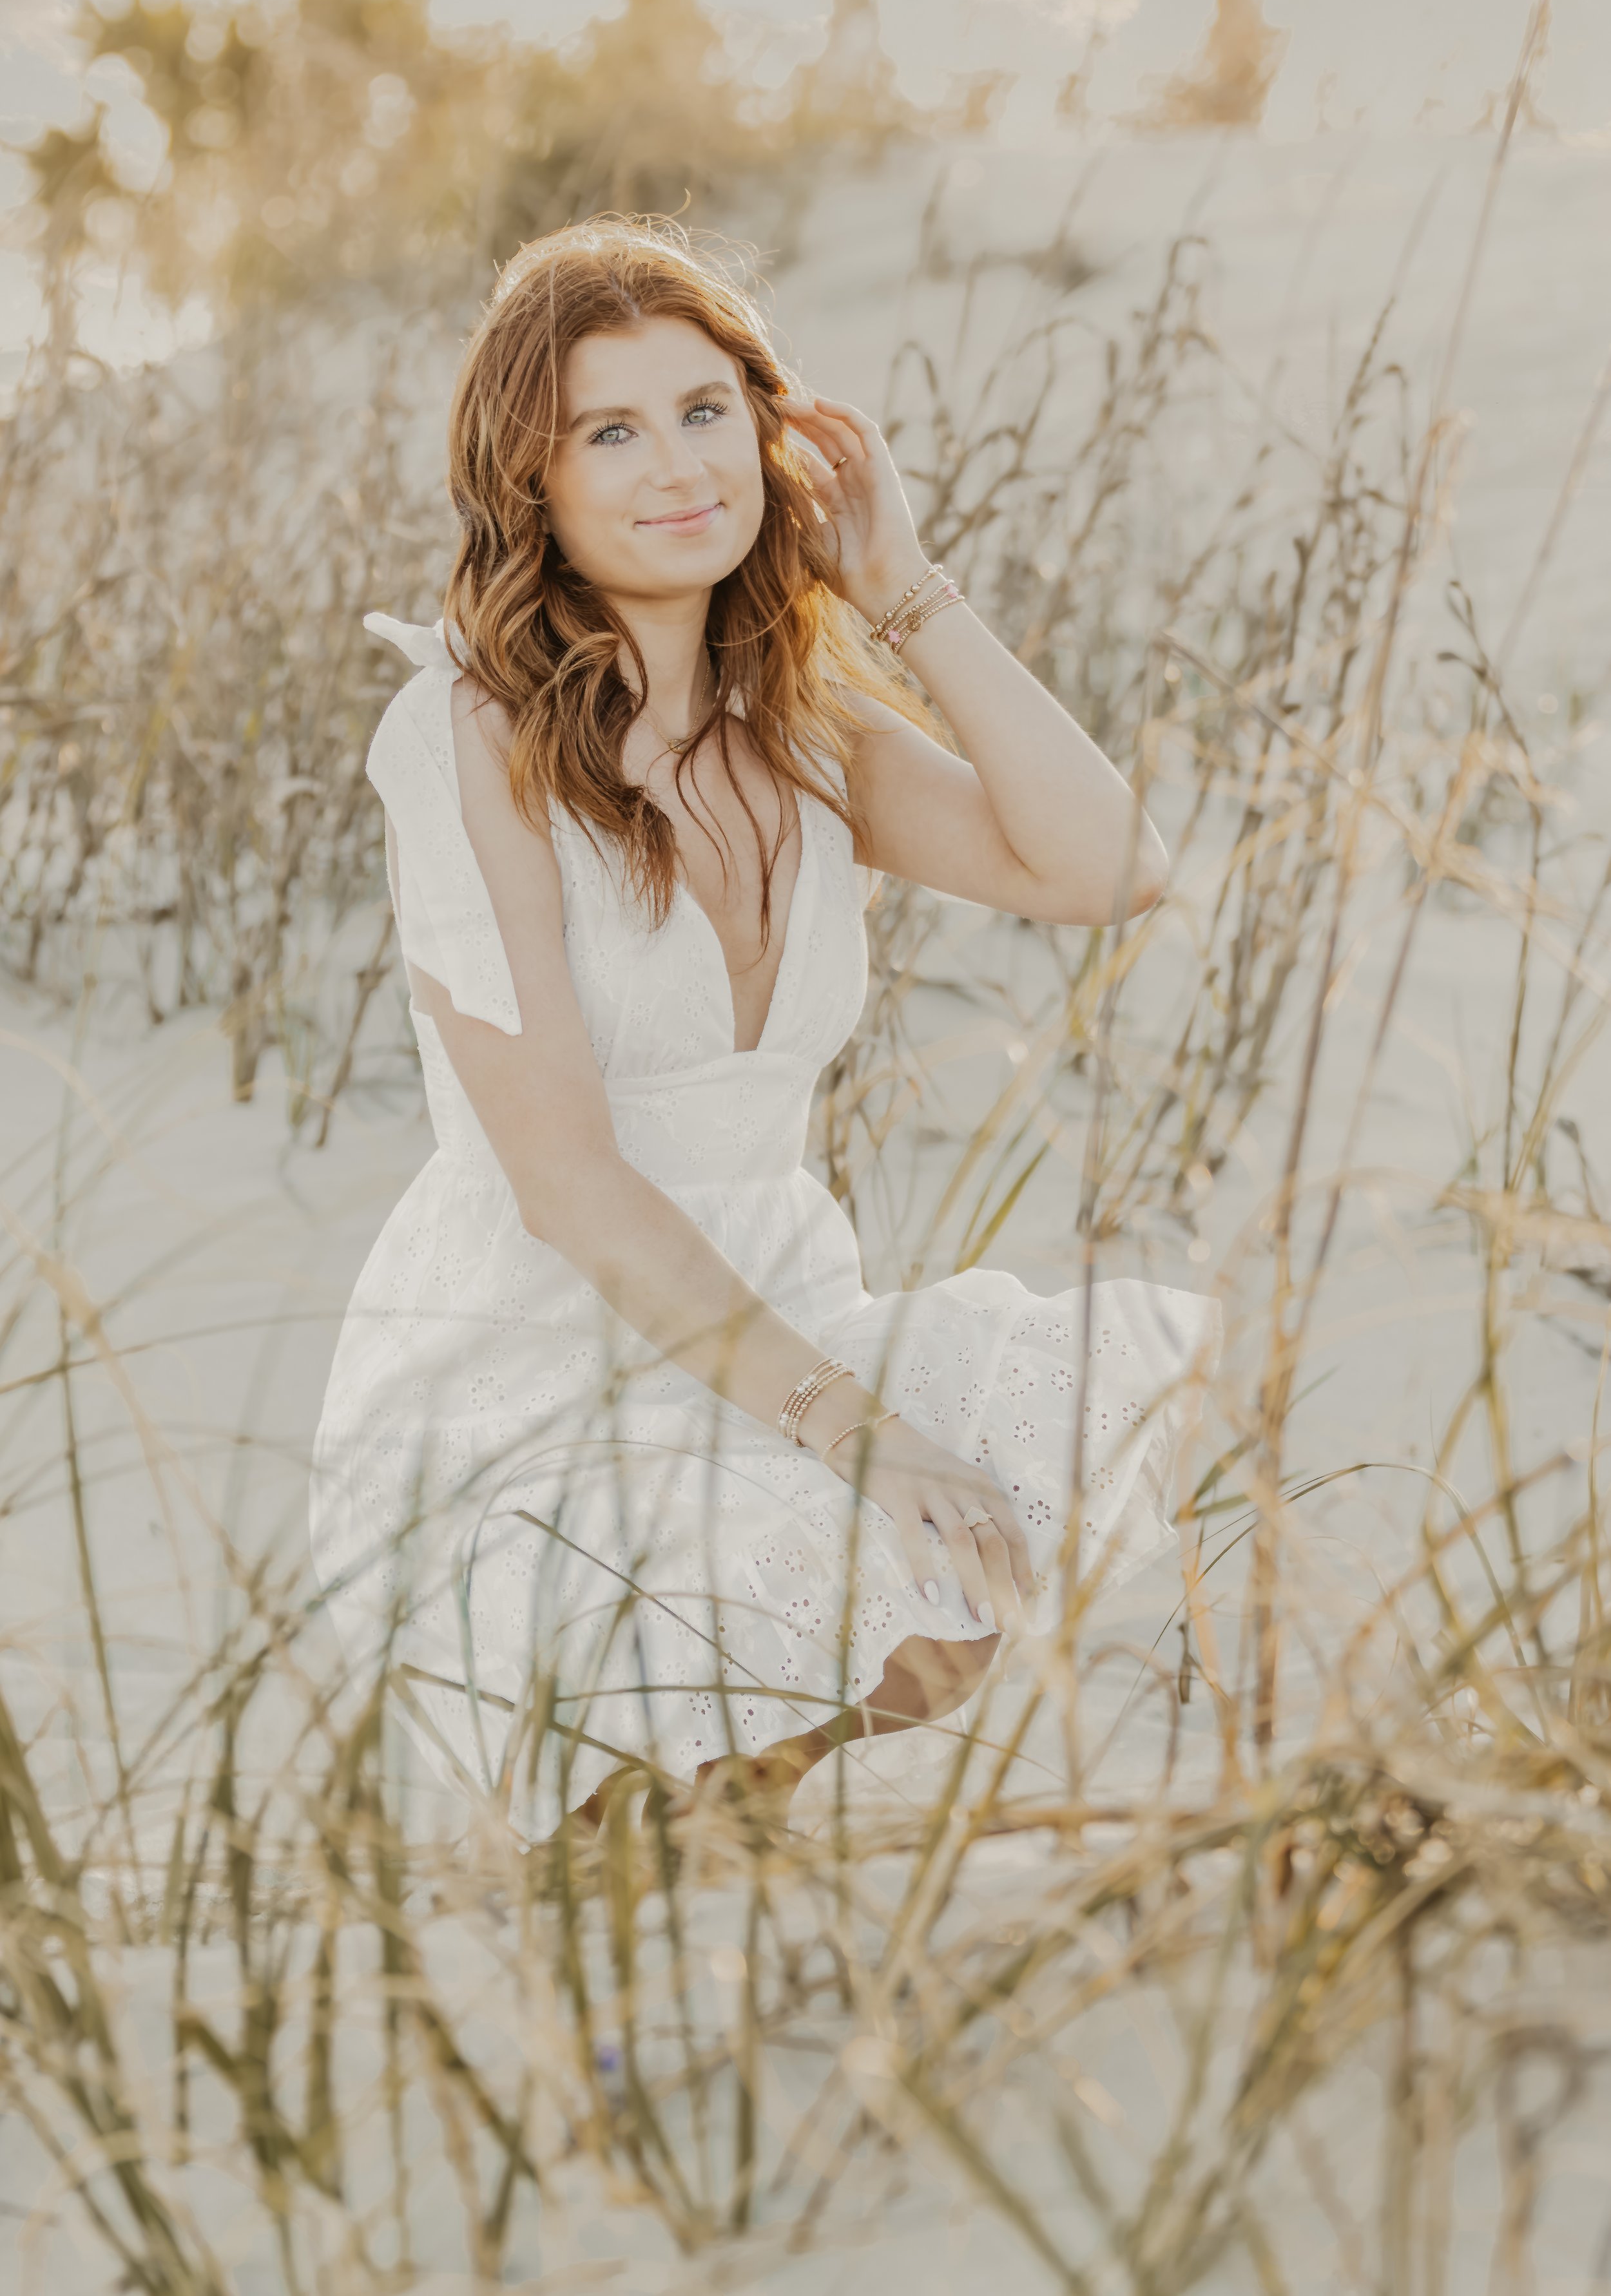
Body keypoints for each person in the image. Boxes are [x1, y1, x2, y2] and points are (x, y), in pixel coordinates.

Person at [309, 216, 1219, 1841]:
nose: (677, 467)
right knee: (802, 1619)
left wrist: (903, 591)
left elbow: (1108, 866)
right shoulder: (464, 734)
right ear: (535, 483)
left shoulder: (797, 726)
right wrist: (860, 1438)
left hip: (780, 1313)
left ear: (770, 426)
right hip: (539, 1354)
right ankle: (622, 1868)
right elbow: (569, 1185)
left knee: (1010, 1516)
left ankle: (681, 1852)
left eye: (706, 409)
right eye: (612, 429)